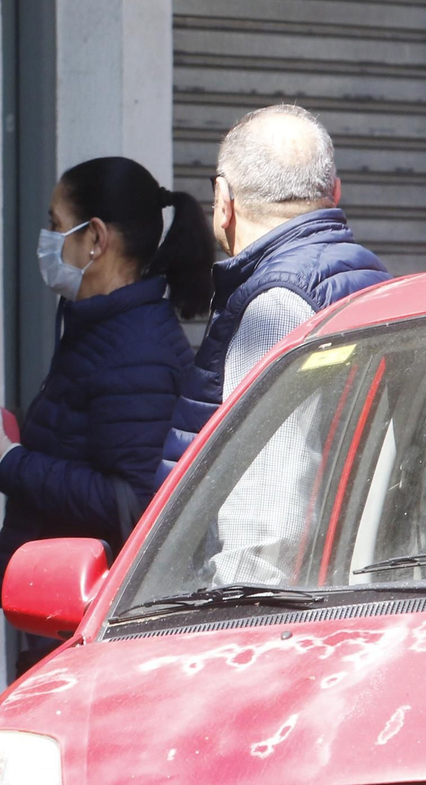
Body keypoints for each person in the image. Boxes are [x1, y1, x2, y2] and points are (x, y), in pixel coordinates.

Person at [0, 155, 214, 674]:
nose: (48, 240)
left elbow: (133, 502)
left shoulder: (136, 351)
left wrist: (9, 462)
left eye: (56, 225)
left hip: (96, 639)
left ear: (94, 238)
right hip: (70, 624)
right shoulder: (102, 328)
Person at [155, 104, 390, 583]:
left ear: (223, 199)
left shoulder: (276, 304)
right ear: (335, 192)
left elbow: (265, 518)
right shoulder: (368, 274)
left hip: (262, 605)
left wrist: (235, 608)